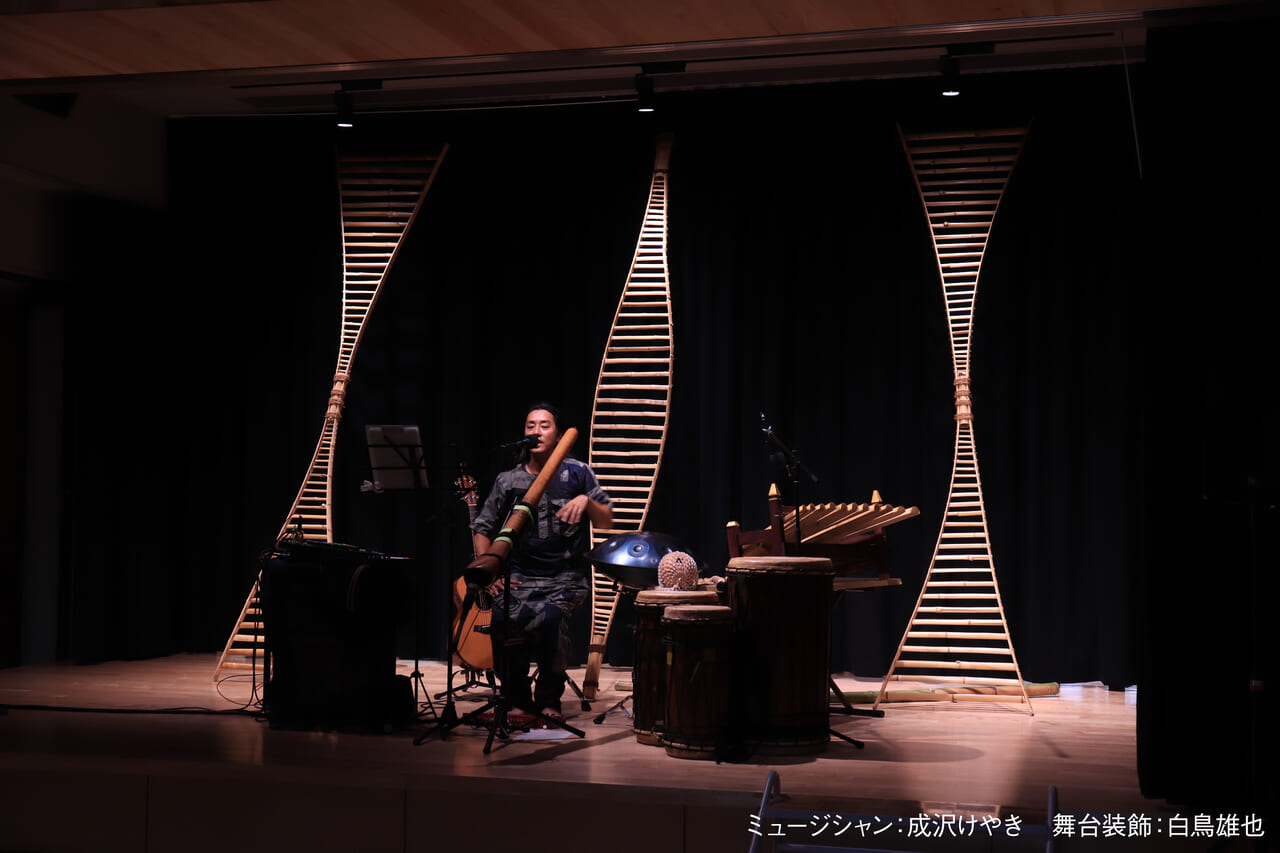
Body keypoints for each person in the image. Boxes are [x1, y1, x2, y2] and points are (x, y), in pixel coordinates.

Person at [470, 402, 613, 719]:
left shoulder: (578, 473)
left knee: (548, 621)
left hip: (565, 580)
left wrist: (586, 501)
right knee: (501, 622)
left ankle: (549, 699)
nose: (536, 431)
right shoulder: (508, 480)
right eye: (530, 425)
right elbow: (482, 528)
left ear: (558, 435)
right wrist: (491, 574)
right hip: (519, 579)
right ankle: (517, 700)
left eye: (544, 425)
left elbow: (606, 519)